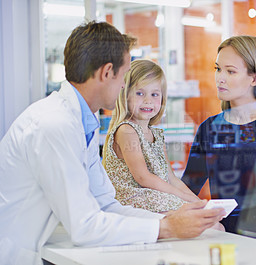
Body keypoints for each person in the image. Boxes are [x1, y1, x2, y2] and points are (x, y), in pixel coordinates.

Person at [0, 21, 224, 265]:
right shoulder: (54, 125)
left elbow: (105, 204)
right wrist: (167, 228)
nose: (123, 86)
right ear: (107, 72)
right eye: (124, 76)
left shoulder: (82, 122)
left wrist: (168, 221)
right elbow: (84, 226)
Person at [182, 35, 256, 233]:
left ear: (255, 78)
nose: (220, 77)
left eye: (230, 71)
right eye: (218, 69)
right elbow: (187, 188)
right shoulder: (209, 128)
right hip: (226, 240)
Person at [102, 59, 200, 213]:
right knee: (207, 224)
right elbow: (143, 177)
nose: (148, 100)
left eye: (155, 94)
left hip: (154, 197)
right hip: (133, 200)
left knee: (208, 219)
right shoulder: (126, 130)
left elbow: (171, 178)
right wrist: (182, 197)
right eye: (140, 93)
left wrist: (195, 199)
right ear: (125, 95)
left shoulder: (156, 134)